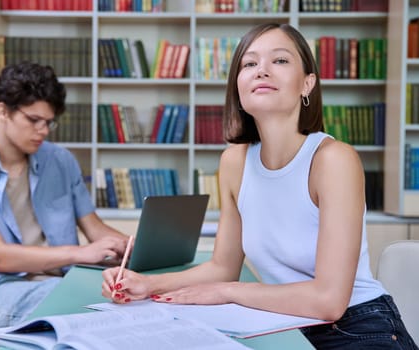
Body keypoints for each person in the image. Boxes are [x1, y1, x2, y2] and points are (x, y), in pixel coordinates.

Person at [102, 23, 418, 349]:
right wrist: (147, 284)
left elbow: (329, 301)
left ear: (307, 83)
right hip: (281, 324)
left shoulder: (333, 159)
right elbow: (223, 266)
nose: (261, 71)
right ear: (238, 86)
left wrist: (229, 292)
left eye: (279, 61)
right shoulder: (234, 162)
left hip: (357, 326)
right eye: (249, 64)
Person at [0, 61, 129, 349]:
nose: (43, 130)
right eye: (33, 120)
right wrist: (81, 253)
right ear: (2, 111)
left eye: (49, 122)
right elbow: (0, 257)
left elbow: (94, 228)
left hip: (59, 282)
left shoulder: (60, 161)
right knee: (82, 301)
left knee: (126, 293)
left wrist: (126, 246)